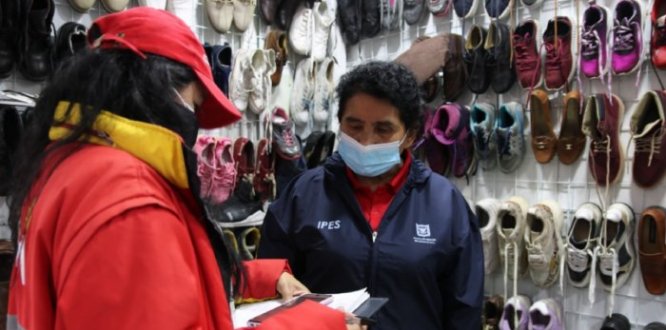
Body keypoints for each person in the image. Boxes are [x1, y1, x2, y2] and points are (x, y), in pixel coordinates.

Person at [5, 7, 362, 330]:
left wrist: (256, 278)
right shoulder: (130, 203)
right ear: (155, 84)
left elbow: (147, 287)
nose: (194, 126)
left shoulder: (68, 168)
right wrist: (312, 324)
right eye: (195, 103)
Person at [258, 61, 484, 329]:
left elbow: (464, 309)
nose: (366, 140)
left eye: (383, 129)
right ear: (340, 123)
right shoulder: (303, 196)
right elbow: (270, 282)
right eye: (354, 126)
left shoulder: (445, 204)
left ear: (410, 135)